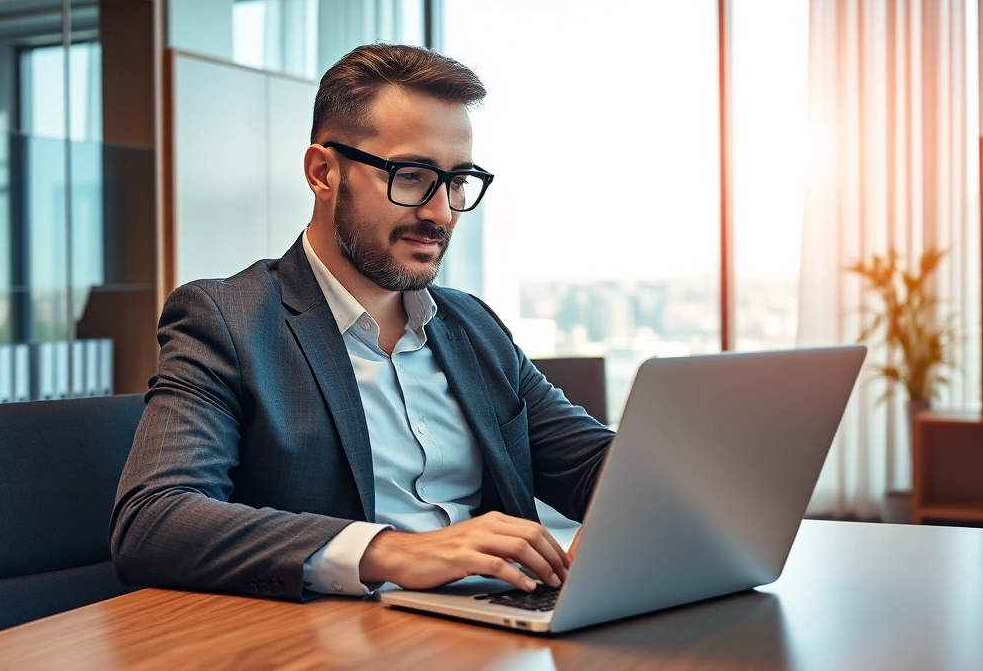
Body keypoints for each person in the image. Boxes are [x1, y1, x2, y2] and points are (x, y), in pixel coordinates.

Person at [110, 43, 614, 601]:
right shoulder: (227, 321)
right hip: (338, 638)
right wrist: (390, 550)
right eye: (412, 175)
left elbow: (595, 467)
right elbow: (153, 520)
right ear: (323, 172)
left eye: (456, 181)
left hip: (501, 624)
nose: (441, 212)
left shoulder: (473, 326)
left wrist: (659, 491)